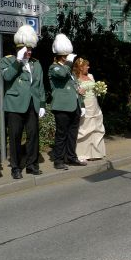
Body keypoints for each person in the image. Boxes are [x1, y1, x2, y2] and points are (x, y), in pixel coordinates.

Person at [0, 25, 46, 179]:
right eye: (27, 49)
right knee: (15, 137)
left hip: (32, 104)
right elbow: (6, 77)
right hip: (15, 105)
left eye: (31, 49)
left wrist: (42, 104)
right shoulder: (8, 61)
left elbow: (39, 85)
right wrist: (18, 62)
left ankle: (32, 165)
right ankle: (16, 167)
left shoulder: (36, 63)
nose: (30, 52)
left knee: (33, 135)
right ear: (19, 49)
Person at [49, 34, 87, 170]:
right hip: (62, 107)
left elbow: (74, 86)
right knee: (61, 134)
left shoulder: (68, 70)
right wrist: (69, 62)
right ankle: (58, 160)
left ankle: (71, 157)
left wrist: (81, 101)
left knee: (72, 133)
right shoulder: (54, 67)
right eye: (68, 56)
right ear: (63, 56)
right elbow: (61, 74)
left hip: (74, 106)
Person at [73, 58, 106, 161]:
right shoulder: (75, 78)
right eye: (86, 66)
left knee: (96, 127)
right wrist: (78, 92)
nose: (88, 67)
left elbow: (94, 89)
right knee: (85, 127)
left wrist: (99, 89)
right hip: (84, 105)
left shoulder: (90, 76)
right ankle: (82, 153)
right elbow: (73, 91)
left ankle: (95, 153)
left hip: (94, 104)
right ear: (81, 67)